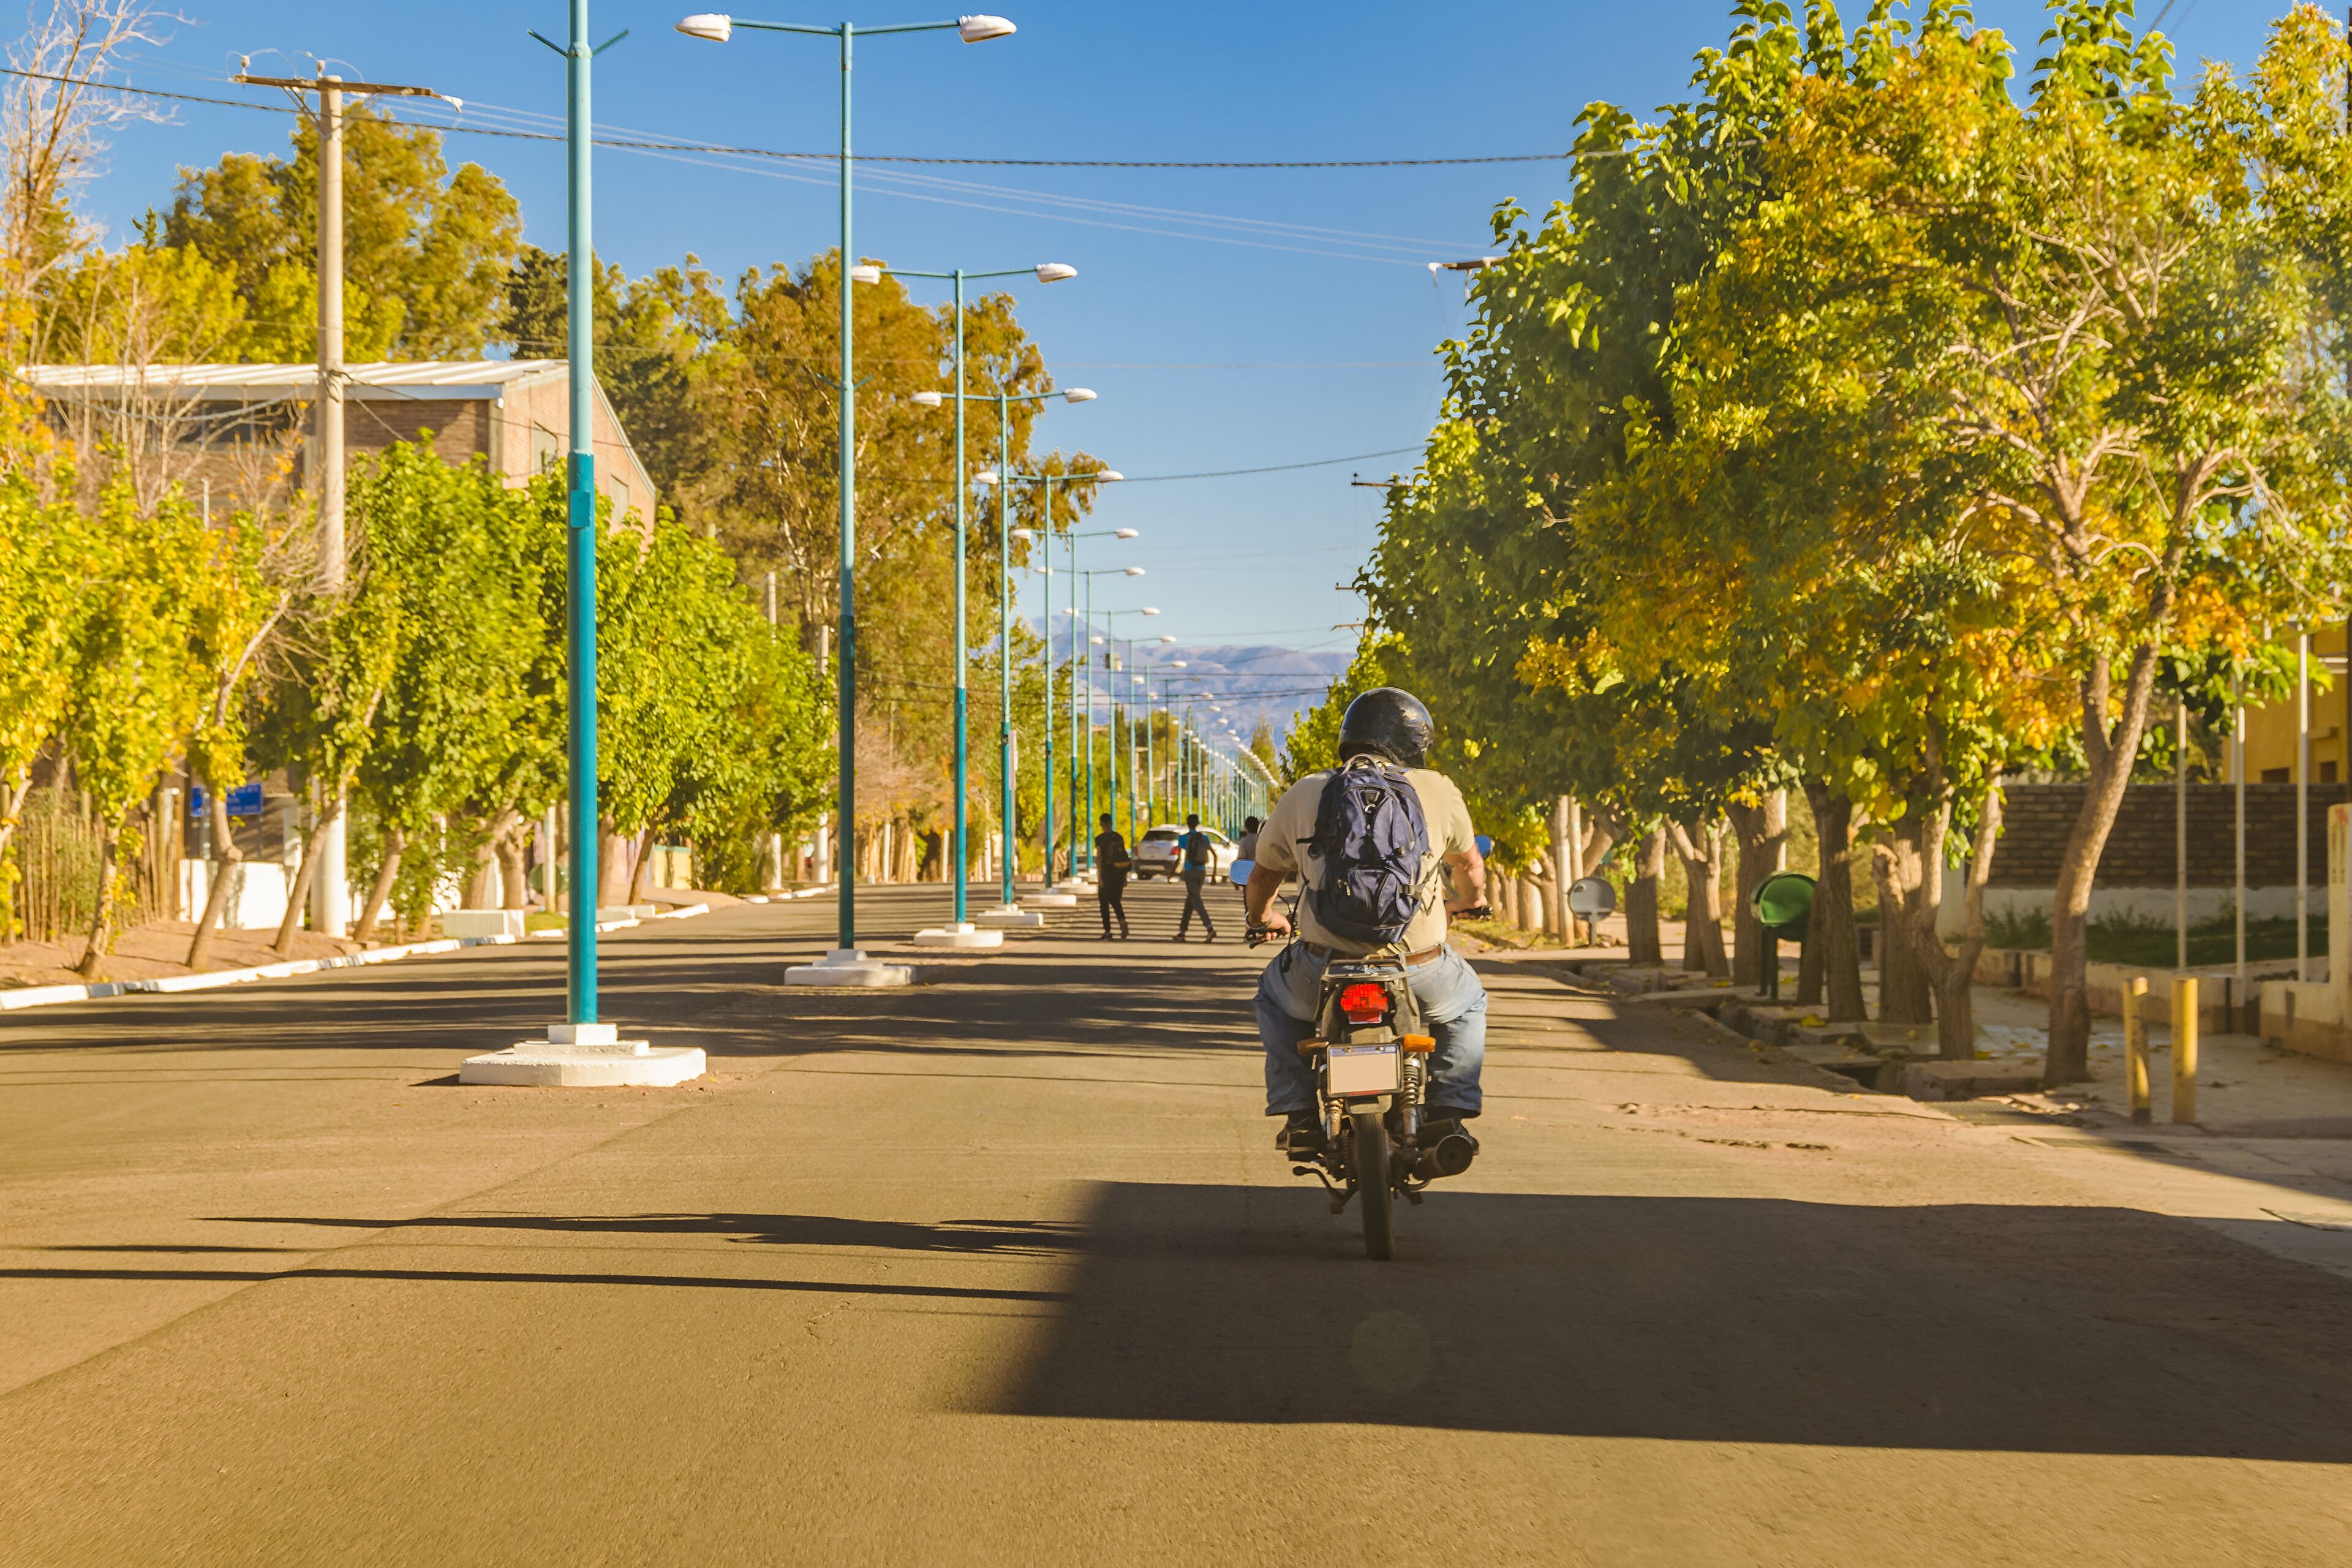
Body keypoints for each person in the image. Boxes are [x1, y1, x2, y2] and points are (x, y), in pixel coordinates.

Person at [1242, 687, 1488, 1157]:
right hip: (1418, 967)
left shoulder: (1306, 791)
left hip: (1323, 968)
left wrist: (1262, 919)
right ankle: (1447, 1111)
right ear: (1412, 741)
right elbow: (1470, 867)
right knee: (1468, 1003)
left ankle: (1299, 1117)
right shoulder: (1436, 787)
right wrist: (1472, 902)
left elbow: (1262, 875)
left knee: (1273, 1001)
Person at [1175, 813, 1219, 943]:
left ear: (1187, 823)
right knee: (1190, 901)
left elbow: (1180, 858)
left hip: (1189, 872)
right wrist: (1214, 875)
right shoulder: (1204, 838)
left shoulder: (1183, 838)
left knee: (1197, 901)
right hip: (1201, 872)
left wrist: (1173, 873)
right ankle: (1182, 932)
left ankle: (1210, 929)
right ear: (1198, 824)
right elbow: (1214, 855)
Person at [1093, 813, 1131, 940]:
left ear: (1101, 824)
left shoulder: (1100, 839)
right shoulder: (1119, 837)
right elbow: (1123, 857)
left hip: (1107, 872)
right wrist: (1125, 877)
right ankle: (1122, 921)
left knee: (1104, 903)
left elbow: (1099, 858)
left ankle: (1108, 931)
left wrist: (1099, 878)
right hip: (1119, 873)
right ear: (1111, 823)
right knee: (1115, 900)